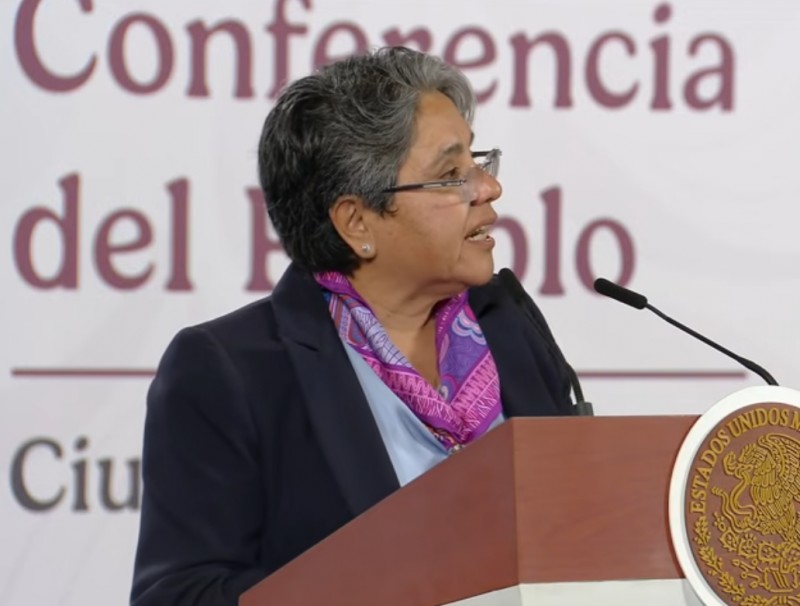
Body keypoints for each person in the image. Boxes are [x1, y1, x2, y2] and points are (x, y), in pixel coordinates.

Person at [130, 46, 574, 606]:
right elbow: (178, 594)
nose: (487, 188)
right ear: (356, 222)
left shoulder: (506, 324)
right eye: (450, 175)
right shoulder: (231, 370)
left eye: (478, 161)